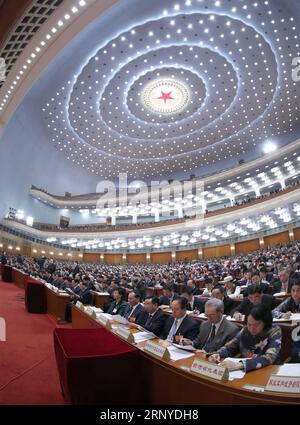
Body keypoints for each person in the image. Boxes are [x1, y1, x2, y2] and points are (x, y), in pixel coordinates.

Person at [208, 304, 282, 372]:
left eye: (256, 325)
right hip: (244, 372)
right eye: (249, 324)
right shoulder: (246, 329)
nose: (252, 329)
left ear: (265, 324)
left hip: (266, 371)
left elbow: (269, 357)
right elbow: (230, 346)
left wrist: (240, 365)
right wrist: (218, 354)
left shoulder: (274, 331)